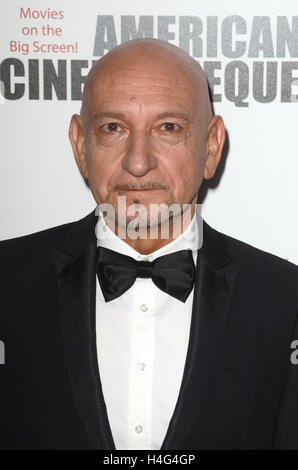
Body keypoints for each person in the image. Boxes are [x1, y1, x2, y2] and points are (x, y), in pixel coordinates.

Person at [0, 37, 298, 450]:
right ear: (80, 145)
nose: (138, 162)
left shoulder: (286, 299)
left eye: (169, 128)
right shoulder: (6, 282)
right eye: (113, 128)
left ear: (210, 147)